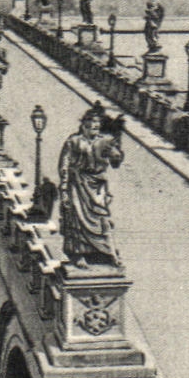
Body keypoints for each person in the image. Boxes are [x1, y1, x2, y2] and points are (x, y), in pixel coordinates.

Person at [58, 102, 127, 269]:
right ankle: (79, 254)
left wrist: (117, 146)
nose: (95, 127)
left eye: (97, 124)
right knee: (77, 218)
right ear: (84, 125)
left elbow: (116, 161)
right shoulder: (73, 141)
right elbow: (64, 166)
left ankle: (109, 252)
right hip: (77, 183)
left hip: (97, 185)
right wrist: (64, 189)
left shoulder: (105, 141)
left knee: (102, 218)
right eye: (91, 124)